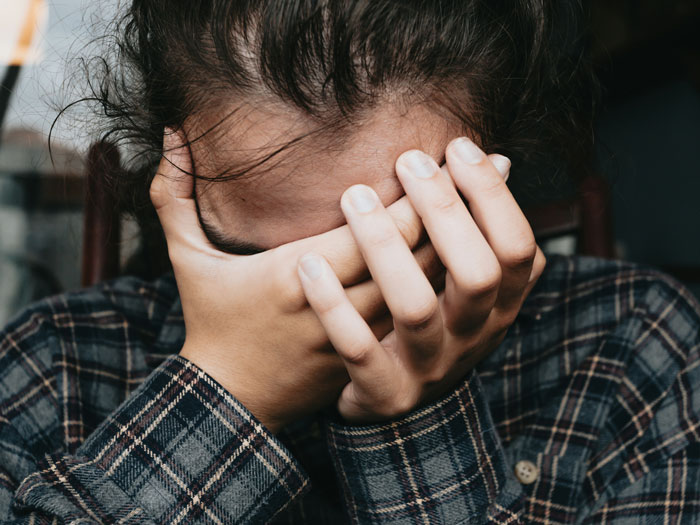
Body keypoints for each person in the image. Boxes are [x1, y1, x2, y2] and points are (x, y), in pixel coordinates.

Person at [1, 1, 699, 523]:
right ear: (172, 181)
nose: (325, 310)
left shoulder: (636, 348)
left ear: (491, 179)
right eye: (254, 255)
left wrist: (413, 419)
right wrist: (225, 388)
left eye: (395, 250)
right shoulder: (52, 363)